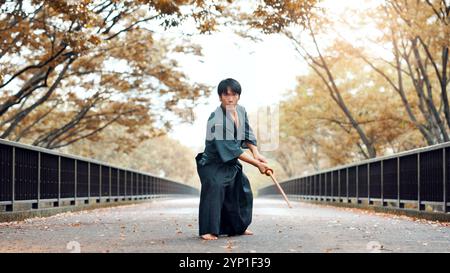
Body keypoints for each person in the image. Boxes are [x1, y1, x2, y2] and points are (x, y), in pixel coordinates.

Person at [195, 78, 271, 240]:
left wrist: (256, 153)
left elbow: (247, 134)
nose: (230, 98)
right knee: (214, 191)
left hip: (230, 164)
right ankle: (207, 230)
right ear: (220, 97)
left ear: (238, 96)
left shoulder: (241, 111)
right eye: (225, 94)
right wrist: (257, 164)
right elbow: (232, 149)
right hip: (213, 164)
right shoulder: (216, 119)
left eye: (234, 94)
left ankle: (237, 228)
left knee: (242, 192)